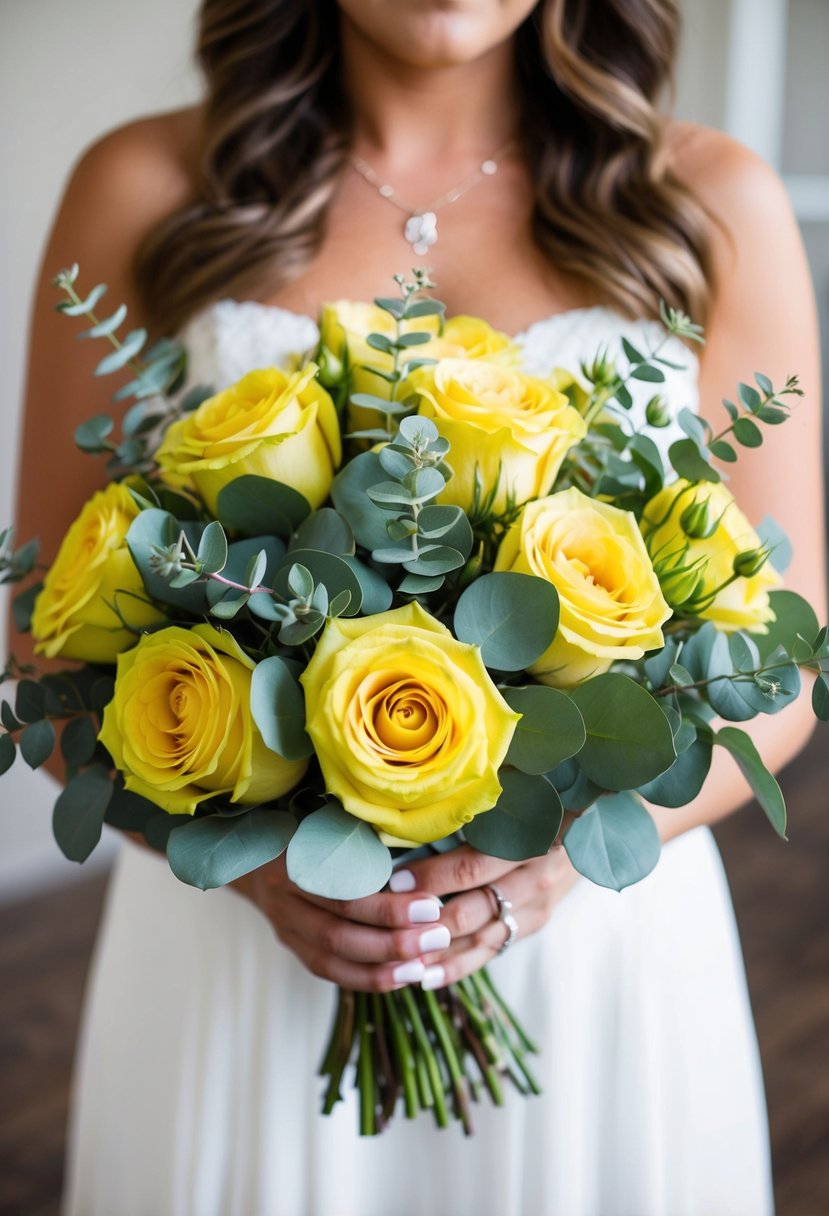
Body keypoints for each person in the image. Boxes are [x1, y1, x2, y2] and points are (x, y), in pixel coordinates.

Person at [12, 1, 826, 1213]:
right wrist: (251, 869)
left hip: (590, 951)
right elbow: (44, 636)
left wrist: (558, 865)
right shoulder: (141, 185)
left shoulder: (712, 198)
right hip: (242, 955)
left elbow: (784, 669)